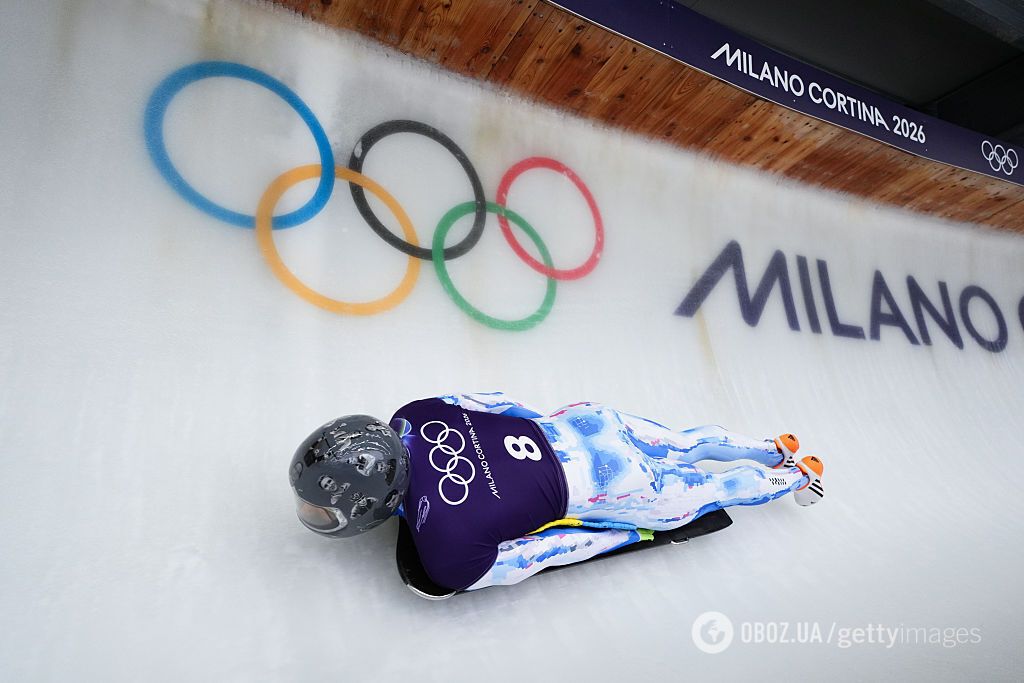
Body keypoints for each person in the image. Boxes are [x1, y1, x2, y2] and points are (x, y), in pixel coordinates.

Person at [289, 392, 824, 591]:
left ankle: (799, 477)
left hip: (611, 484)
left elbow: (549, 552)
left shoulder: (447, 553)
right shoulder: (414, 411)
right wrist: (550, 426)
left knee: (712, 492)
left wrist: (621, 535)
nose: (315, 515)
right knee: (685, 441)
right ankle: (772, 446)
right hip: (585, 422)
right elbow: (500, 402)